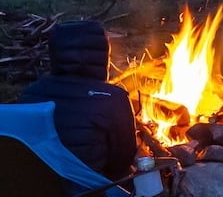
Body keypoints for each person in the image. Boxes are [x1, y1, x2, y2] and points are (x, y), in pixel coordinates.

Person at [15, 18, 139, 179]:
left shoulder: (31, 93)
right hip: (89, 195)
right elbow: (122, 161)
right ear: (103, 55)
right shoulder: (113, 98)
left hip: (39, 191)